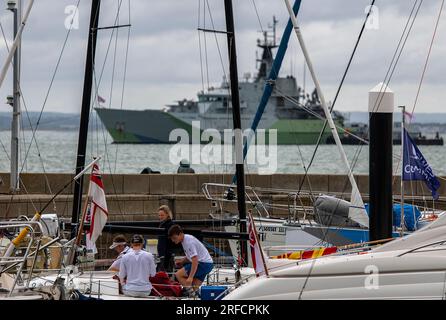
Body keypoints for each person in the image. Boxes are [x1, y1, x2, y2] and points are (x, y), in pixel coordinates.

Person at [168, 225, 213, 291]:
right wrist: (182, 261)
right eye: (172, 238)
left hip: (202, 264)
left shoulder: (188, 242)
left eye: (174, 238)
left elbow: (195, 260)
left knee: (178, 274)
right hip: (208, 264)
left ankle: (190, 293)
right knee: (194, 287)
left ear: (180, 234)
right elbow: (191, 256)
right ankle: (193, 294)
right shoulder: (186, 238)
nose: (173, 240)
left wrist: (190, 277)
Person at [157, 205, 175, 272]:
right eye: (159, 215)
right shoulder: (162, 224)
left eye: (162, 215)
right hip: (162, 253)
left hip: (167, 254)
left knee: (167, 272)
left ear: (167, 214)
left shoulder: (170, 225)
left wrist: (164, 255)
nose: (160, 217)